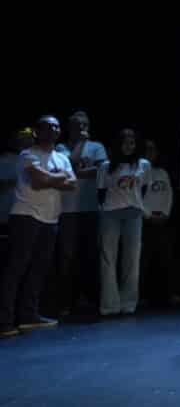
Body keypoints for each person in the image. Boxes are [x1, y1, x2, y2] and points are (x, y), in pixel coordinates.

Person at [0, 116, 76, 337]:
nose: (53, 129)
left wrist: (50, 178)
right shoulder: (27, 155)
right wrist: (60, 177)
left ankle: (28, 315)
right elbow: (37, 182)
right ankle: (4, 320)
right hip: (26, 217)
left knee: (38, 270)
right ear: (37, 131)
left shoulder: (62, 157)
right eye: (48, 126)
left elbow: (72, 184)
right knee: (16, 270)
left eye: (56, 126)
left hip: (51, 219)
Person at [55, 111, 108, 317]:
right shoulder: (61, 148)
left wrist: (76, 172)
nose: (82, 128)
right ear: (70, 127)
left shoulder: (97, 146)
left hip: (91, 208)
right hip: (67, 210)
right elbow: (68, 165)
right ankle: (66, 302)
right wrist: (80, 148)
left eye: (85, 124)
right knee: (67, 257)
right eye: (78, 125)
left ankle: (90, 299)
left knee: (90, 255)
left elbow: (102, 170)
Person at [96, 128, 151, 316]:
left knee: (132, 259)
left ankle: (128, 303)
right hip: (110, 214)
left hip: (133, 214)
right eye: (124, 143)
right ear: (117, 145)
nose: (128, 146)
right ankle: (109, 305)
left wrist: (134, 203)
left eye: (132, 143)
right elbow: (100, 192)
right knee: (108, 259)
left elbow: (143, 189)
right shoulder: (106, 166)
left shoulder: (143, 164)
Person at [139, 139, 180, 307]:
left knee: (165, 258)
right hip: (145, 220)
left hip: (162, 220)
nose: (151, 153)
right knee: (143, 260)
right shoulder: (139, 172)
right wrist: (148, 215)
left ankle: (168, 294)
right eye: (148, 150)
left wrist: (165, 213)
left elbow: (168, 194)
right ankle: (139, 295)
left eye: (153, 150)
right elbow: (136, 196)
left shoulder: (162, 172)